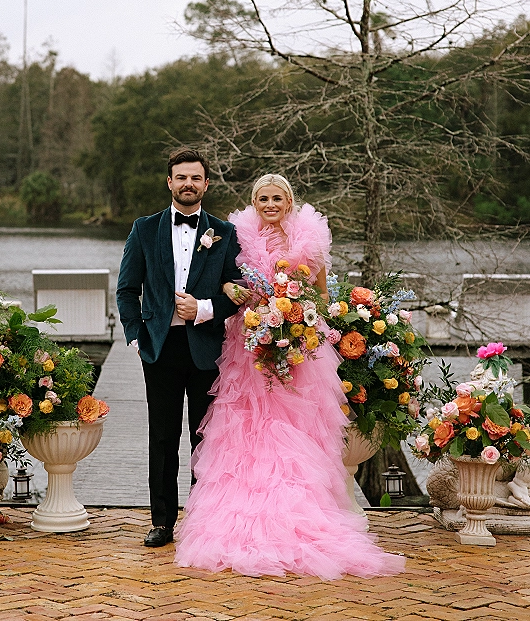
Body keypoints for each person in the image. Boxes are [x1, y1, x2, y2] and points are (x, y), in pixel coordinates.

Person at [174, 174, 405, 578]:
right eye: (262, 198)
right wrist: (234, 293)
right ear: (254, 202)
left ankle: (301, 513)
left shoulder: (309, 242)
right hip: (249, 347)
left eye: (277, 198)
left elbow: (322, 296)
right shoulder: (238, 238)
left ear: (289, 201)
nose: (270, 204)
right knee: (247, 426)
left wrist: (299, 318)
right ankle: (240, 514)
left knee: (296, 428)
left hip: (299, 350)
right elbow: (224, 280)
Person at [116, 147, 241, 548]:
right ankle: (162, 522)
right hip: (160, 347)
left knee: (205, 439)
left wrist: (204, 309)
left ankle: (202, 521)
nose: (188, 184)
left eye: (195, 178)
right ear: (170, 182)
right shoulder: (143, 229)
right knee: (163, 437)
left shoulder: (224, 232)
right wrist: (136, 335)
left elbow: (238, 291)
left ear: (206, 184)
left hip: (206, 347)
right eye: (181, 177)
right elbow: (126, 289)